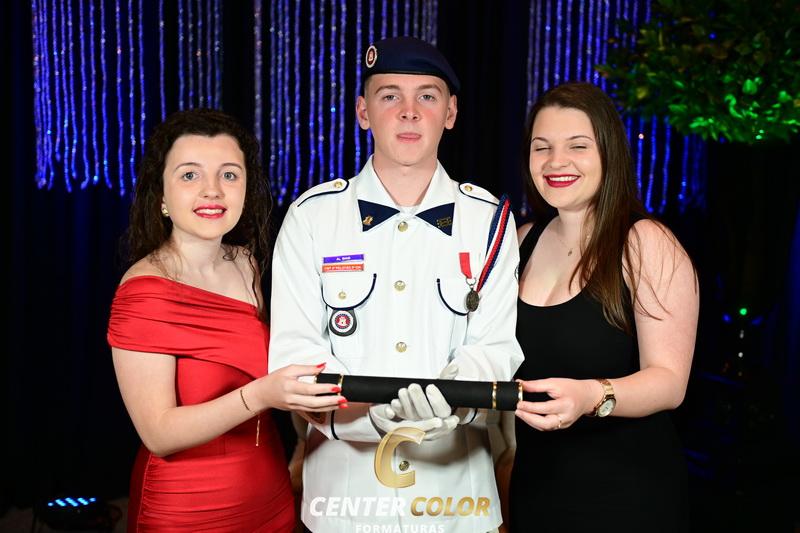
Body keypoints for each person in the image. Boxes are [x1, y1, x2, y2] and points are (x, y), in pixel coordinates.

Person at [269, 37, 524, 533]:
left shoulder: (490, 221)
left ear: (451, 112)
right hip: (345, 504)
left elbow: (495, 347)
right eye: (390, 96)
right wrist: (367, 420)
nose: (409, 111)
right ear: (363, 112)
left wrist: (450, 405)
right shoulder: (311, 218)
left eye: (427, 96)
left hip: (456, 504)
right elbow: (295, 354)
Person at [107, 109, 345, 532]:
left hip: (268, 491)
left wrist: (302, 438)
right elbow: (158, 434)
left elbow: (275, 369)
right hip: (188, 507)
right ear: (161, 195)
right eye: (190, 175)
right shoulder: (142, 291)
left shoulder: (245, 263)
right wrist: (263, 395)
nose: (212, 190)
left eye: (229, 175)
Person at [507, 82, 699, 532]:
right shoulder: (522, 240)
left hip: (626, 497)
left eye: (578, 146)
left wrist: (592, 396)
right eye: (542, 147)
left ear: (609, 153)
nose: (556, 162)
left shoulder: (646, 242)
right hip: (536, 490)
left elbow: (670, 382)